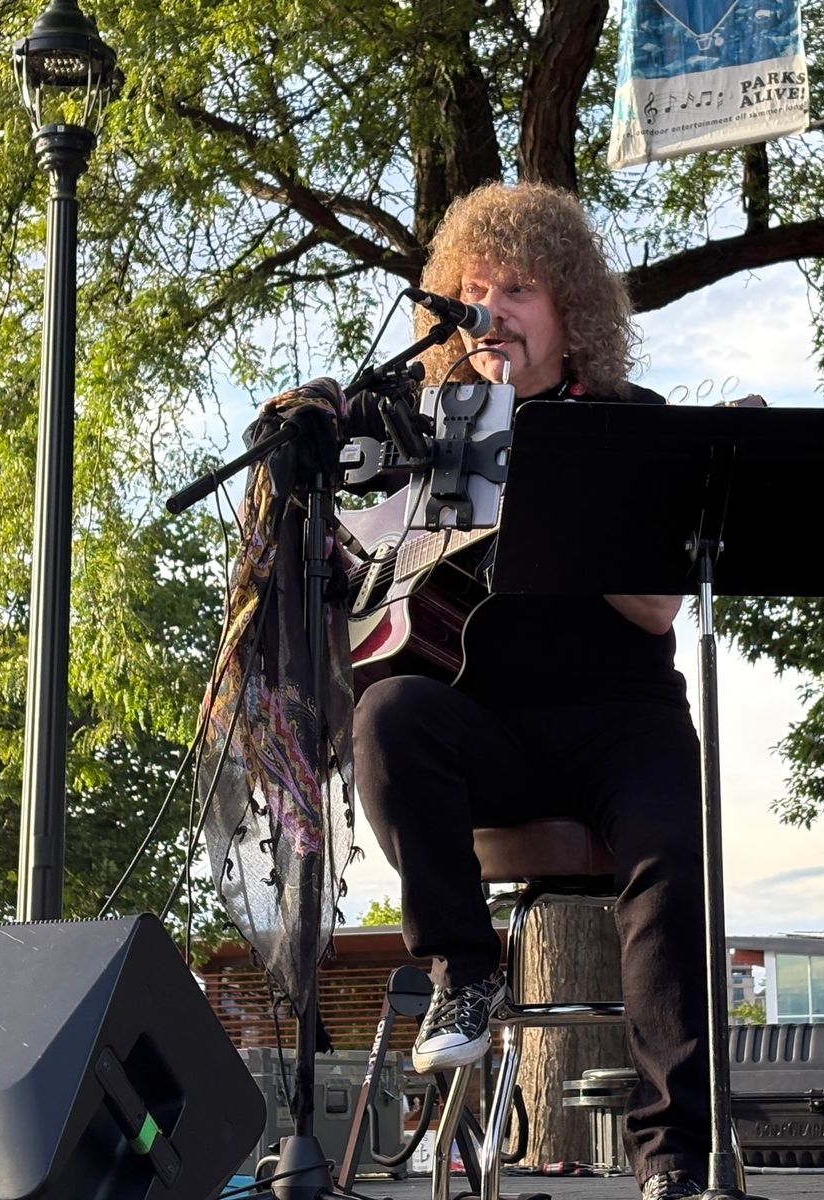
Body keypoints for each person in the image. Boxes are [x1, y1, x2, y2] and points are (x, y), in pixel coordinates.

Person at [345, 181, 709, 1200]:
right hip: (488, 727)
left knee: (669, 861)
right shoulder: (442, 428)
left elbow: (656, 610)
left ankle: (673, 1159)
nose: (491, 311)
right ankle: (463, 974)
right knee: (388, 715)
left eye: (517, 290)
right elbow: (384, 579)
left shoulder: (629, 421)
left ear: (569, 308)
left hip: (622, 721)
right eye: (473, 290)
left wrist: (550, 489)